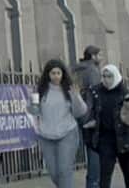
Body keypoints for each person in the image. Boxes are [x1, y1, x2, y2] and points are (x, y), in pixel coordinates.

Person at [29, 59, 89, 188]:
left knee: (64, 170)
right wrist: (32, 105)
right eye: (53, 73)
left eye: (58, 73)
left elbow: (80, 112)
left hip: (67, 134)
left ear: (63, 74)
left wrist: (76, 97)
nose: (56, 76)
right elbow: (34, 111)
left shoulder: (68, 90)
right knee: (54, 172)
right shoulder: (41, 91)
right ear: (48, 74)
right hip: (46, 135)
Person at [87, 64, 129, 188]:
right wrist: (92, 121)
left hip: (123, 136)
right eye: (104, 76)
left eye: (109, 76)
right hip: (105, 138)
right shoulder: (97, 91)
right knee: (105, 173)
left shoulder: (124, 92)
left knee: (128, 172)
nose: (106, 79)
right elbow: (91, 110)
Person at [75, 46, 106, 188]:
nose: (102, 58)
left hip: (75, 114)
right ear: (93, 56)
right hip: (89, 115)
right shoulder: (93, 70)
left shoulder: (75, 69)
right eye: (100, 55)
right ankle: (93, 184)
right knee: (94, 153)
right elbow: (96, 94)